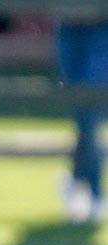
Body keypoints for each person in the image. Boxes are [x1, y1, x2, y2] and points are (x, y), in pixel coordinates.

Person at [54, 9, 108, 223]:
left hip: (101, 25)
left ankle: (92, 191)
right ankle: (78, 182)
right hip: (69, 24)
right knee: (82, 112)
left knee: (90, 106)